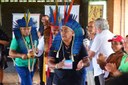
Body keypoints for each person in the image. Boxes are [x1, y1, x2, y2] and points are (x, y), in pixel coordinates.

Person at [48, 3, 89, 84]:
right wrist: (57, 65)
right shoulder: (55, 44)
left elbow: (87, 60)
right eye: (61, 30)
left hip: (76, 80)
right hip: (59, 80)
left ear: (73, 32)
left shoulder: (79, 44)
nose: (62, 33)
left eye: (66, 30)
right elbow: (49, 62)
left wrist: (83, 63)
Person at [9, 11, 38, 85]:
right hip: (21, 65)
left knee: (26, 82)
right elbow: (11, 53)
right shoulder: (16, 39)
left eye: (28, 28)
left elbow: (36, 49)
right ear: (20, 29)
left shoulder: (33, 37)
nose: (27, 31)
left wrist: (36, 60)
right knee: (28, 83)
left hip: (32, 65)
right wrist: (21, 55)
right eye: (24, 29)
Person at [88, 18, 114, 85]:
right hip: (111, 67)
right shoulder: (112, 35)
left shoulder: (99, 36)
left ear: (98, 27)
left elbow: (91, 54)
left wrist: (87, 49)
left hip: (101, 69)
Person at [84, 21, 96, 85]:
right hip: (88, 68)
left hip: (94, 69)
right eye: (88, 26)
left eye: (91, 26)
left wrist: (87, 51)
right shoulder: (89, 40)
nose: (89, 28)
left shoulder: (97, 40)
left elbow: (91, 56)